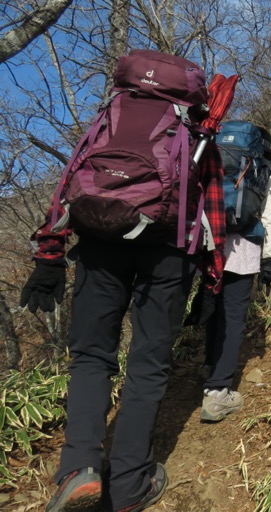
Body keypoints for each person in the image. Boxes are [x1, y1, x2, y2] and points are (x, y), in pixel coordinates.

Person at [19, 56, 227, 512]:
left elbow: (71, 178)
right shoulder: (195, 132)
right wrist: (212, 276)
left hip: (99, 240)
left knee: (91, 357)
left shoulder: (110, 116)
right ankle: (131, 484)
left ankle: (79, 470)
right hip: (169, 251)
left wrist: (50, 251)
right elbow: (213, 210)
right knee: (148, 364)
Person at [190, 125, 271, 422]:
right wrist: (268, 261)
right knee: (234, 312)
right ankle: (218, 392)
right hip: (244, 247)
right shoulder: (262, 169)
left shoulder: (214, 159)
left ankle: (209, 364)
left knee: (214, 305)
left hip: (209, 240)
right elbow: (269, 216)